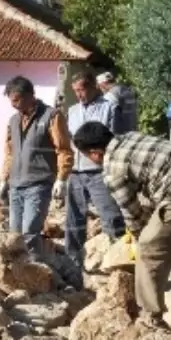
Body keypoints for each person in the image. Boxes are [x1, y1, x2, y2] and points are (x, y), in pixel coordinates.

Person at [72, 122, 171, 325]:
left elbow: (131, 214)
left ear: (96, 153)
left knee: (150, 247)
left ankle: (151, 315)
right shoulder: (130, 137)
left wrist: (135, 240)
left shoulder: (113, 167)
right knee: (168, 230)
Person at [0, 76, 73, 262]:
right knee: (15, 235)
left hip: (39, 184)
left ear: (30, 96)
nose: (13, 105)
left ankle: (34, 272)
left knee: (30, 232)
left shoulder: (51, 116)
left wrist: (62, 178)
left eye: (16, 100)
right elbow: (9, 153)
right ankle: (17, 273)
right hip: (16, 185)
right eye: (11, 101)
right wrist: (3, 179)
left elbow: (63, 149)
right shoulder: (13, 121)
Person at [65, 72, 126, 273]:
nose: (79, 94)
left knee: (110, 215)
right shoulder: (72, 111)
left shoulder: (108, 107)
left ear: (94, 87)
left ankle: (119, 260)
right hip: (76, 171)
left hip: (99, 171)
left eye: (82, 89)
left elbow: (113, 138)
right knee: (74, 219)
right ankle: (73, 263)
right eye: (75, 91)